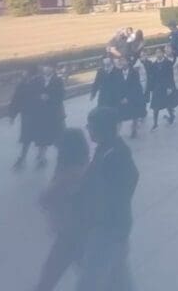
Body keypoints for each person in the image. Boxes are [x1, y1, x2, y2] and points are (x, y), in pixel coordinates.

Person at [77, 106, 139, 291]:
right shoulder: (107, 149)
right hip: (111, 226)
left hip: (108, 227)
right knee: (118, 278)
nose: (88, 129)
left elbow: (117, 192)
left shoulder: (114, 155)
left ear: (101, 128)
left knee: (90, 280)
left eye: (91, 126)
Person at [33, 128, 90, 291]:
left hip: (71, 232)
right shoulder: (81, 166)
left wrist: (46, 197)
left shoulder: (71, 173)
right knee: (85, 271)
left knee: (51, 273)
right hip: (75, 231)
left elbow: (47, 197)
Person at [146, 46, 178, 129]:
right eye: (156, 52)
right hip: (157, 87)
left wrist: (170, 87)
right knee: (155, 107)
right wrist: (151, 87)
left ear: (162, 53)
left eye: (159, 52)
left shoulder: (168, 63)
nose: (158, 54)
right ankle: (155, 123)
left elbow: (170, 76)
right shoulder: (154, 64)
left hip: (166, 87)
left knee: (168, 105)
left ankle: (172, 116)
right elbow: (152, 77)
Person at [115, 57, 146, 138]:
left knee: (134, 114)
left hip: (133, 97)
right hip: (122, 98)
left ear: (128, 62)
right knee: (119, 116)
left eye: (123, 61)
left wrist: (128, 98)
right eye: (120, 61)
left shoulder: (134, 72)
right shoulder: (118, 73)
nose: (121, 63)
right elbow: (117, 87)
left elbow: (135, 87)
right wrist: (120, 98)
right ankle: (116, 133)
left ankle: (134, 130)